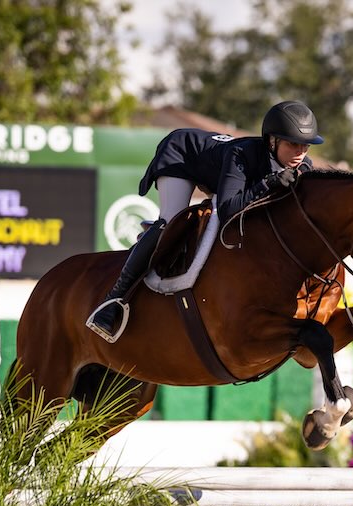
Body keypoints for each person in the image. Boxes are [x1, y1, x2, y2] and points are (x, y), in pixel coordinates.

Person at [87, 100, 324, 341]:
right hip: (182, 157)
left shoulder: (303, 166)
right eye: (293, 144)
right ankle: (113, 300)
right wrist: (266, 184)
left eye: (305, 146)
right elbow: (228, 209)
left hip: (218, 172)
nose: (300, 153)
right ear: (272, 141)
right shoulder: (241, 154)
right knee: (170, 222)